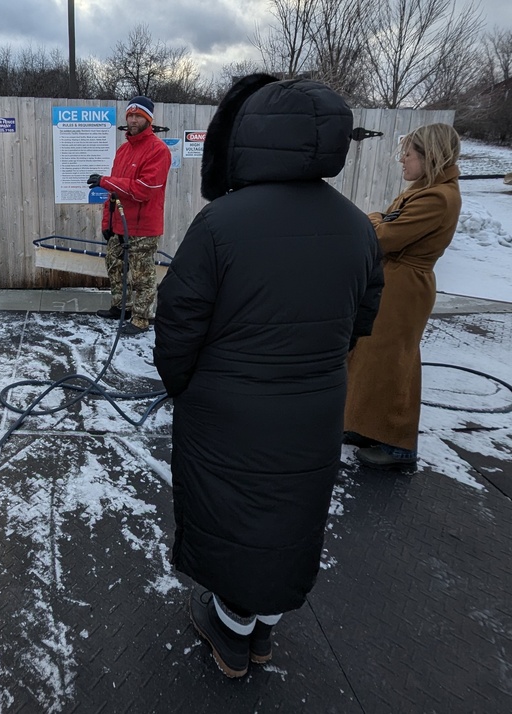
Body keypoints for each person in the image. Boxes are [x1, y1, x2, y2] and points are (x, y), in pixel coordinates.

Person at [153, 75, 384, 678]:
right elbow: (363, 318)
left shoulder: (221, 222)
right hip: (315, 405)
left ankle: (230, 635)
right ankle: (261, 633)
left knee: (231, 514)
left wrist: (183, 384)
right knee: (290, 518)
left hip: (226, 408)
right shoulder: (359, 226)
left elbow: (178, 321)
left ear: (250, 138)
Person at [344, 124, 462, 470]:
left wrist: (378, 219)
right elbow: (383, 225)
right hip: (394, 283)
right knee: (370, 357)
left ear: (430, 156)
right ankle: (365, 426)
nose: (402, 161)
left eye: (408, 155)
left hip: (405, 288)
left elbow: (383, 236)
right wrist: (381, 220)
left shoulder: (437, 197)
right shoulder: (426, 190)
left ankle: (397, 445)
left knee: (395, 364)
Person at [87, 96, 172, 336]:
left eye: (139, 116)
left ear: (148, 120)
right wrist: (107, 221)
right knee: (114, 265)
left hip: (143, 227)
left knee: (141, 275)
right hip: (119, 224)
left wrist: (105, 180)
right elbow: (114, 192)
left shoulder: (158, 150)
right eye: (130, 116)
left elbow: (144, 189)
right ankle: (121, 307)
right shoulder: (123, 150)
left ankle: (141, 319)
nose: (133, 120)